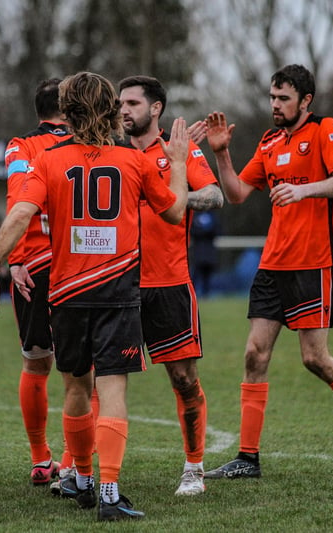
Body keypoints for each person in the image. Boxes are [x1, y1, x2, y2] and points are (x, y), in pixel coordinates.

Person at [0, 71, 188, 521]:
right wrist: (182, 163)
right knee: (112, 388)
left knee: (75, 386)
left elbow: (20, 213)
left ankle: (83, 477)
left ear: (68, 111)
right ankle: (110, 492)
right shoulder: (133, 160)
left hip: (67, 293)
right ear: (111, 109)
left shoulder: (49, 160)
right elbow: (173, 212)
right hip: (117, 292)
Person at [195, 64, 333, 479]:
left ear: (305, 101)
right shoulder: (270, 141)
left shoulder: (326, 129)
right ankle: (248, 458)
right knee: (254, 354)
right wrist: (220, 153)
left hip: (315, 263)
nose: (275, 105)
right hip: (273, 264)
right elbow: (235, 194)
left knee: (315, 359)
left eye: (283, 98)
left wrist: (304, 188)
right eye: (272, 97)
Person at [118, 75, 224, 496]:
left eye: (132, 103)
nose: (123, 110)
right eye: (119, 103)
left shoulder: (179, 153)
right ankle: (81, 471)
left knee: (183, 378)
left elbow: (214, 196)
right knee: (97, 378)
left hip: (169, 283)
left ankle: (194, 468)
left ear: (156, 108)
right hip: (118, 284)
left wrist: (160, 193)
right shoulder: (113, 154)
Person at [4, 78, 72, 486]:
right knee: (84, 368)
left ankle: (40, 458)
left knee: (36, 360)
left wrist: (15, 259)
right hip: (79, 265)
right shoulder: (87, 143)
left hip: (32, 263)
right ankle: (72, 459)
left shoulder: (20, 146)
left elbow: (17, 200)